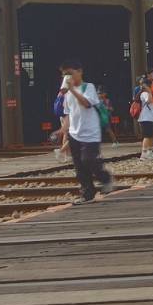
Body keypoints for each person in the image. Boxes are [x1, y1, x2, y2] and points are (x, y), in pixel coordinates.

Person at [57, 60, 113, 203]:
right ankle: (87, 193)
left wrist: (72, 90)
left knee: (89, 159)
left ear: (80, 71)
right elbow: (68, 114)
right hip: (75, 133)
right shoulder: (67, 94)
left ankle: (105, 177)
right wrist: (62, 130)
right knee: (79, 166)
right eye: (65, 75)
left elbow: (87, 104)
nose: (67, 77)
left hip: (91, 132)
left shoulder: (88, 87)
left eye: (70, 73)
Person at [135, 78, 153, 159]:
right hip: (145, 118)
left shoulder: (146, 92)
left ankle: (149, 151)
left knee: (151, 135)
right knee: (147, 136)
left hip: (149, 117)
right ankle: (144, 153)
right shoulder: (144, 93)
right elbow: (149, 101)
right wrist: (149, 91)